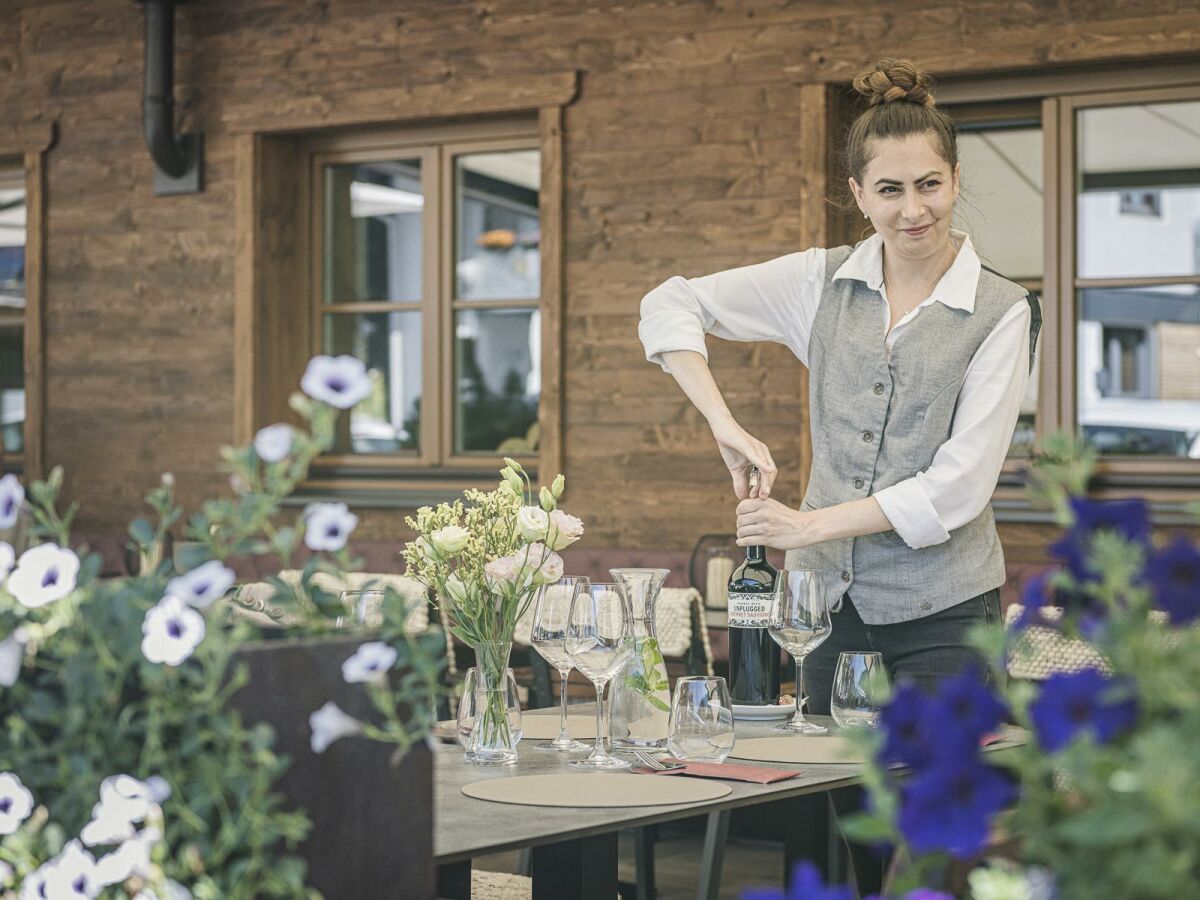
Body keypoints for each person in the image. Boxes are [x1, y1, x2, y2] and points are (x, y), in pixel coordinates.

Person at [638, 58, 1041, 890]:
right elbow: (670, 302)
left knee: (942, 841)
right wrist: (724, 423)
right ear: (858, 195)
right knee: (846, 832)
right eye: (889, 190)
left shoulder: (1002, 311)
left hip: (943, 619)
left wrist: (806, 527)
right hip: (825, 617)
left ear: (956, 180)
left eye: (929, 184)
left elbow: (959, 489)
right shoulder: (821, 281)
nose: (913, 209)